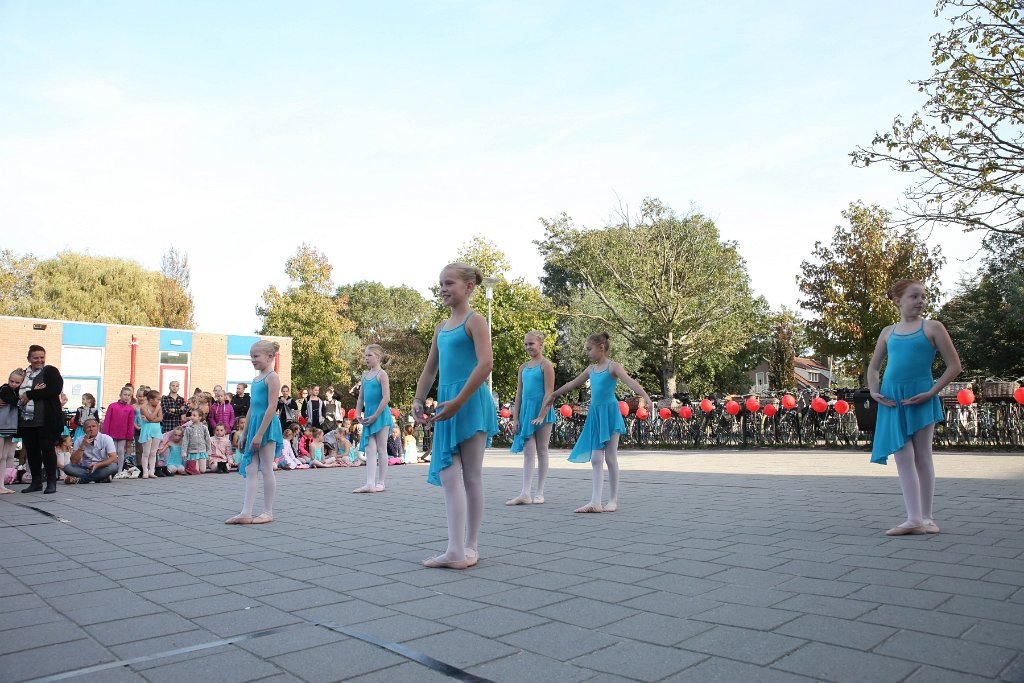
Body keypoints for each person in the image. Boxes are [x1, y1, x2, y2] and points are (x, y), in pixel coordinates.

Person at [413, 263, 498, 569]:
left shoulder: (475, 321)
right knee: (450, 475)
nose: (443, 289)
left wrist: (460, 401)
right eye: (440, 284)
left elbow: (485, 364)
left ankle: (470, 546)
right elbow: (430, 368)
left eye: (449, 283)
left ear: (469, 287)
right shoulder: (441, 327)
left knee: (472, 476)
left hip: (470, 402)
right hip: (448, 404)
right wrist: (419, 398)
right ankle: (454, 549)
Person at [868, 279, 961, 536]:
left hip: (921, 395)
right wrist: (874, 392)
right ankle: (914, 518)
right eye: (914, 296)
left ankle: (926, 518)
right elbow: (874, 367)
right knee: (903, 455)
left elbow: (954, 366)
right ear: (898, 300)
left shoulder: (933, 327)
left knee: (923, 455)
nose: (921, 301)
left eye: (923, 296)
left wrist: (931, 392)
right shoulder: (888, 332)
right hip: (891, 398)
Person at [544, 332, 651, 513]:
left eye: (589, 349)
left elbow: (630, 382)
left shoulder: (613, 367)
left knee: (610, 457)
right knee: (595, 458)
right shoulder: (590, 370)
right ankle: (595, 501)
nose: (587, 352)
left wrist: (646, 396)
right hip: (595, 414)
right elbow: (572, 384)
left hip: (609, 413)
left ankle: (613, 500)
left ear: (601, 348)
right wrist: (554, 394)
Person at [227, 340, 282, 525]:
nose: (252, 360)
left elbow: (272, 406)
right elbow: (252, 407)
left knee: (266, 468)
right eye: (251, 356)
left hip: (267, 426)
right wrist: (245, 432)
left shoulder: (272, 377)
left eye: (256, 356)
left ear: (270, 356)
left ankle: (268, 511)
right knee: (251, 468)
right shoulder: (257, 378)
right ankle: (246, 511)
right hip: (254, 426)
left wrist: (259, 434)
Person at [507, 331, 557, 506]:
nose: (528, 347)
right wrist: (515, 417)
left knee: (542, 450)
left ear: (541, 345)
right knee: (528, 453)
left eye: (531, 344)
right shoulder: (523, 367)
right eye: (526, 344)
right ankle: (525, 493)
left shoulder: (546, 365)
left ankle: (540, 492)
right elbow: (519, 393)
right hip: (526, 412)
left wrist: (542, 415)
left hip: (542, 410)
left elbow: (549, 393)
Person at [18, 345, 65, 494]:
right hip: (27, 419)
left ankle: (51, 481)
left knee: (47, 450)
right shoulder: (24, 374)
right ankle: (36, 482)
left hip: (46, 419)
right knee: (31, 451)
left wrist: (31, 394)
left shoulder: (50, 371)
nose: (39, 360)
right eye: (35, 358)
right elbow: (14, 387)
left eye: (41, 357)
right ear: (29, 359)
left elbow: (54, 389)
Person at [353, 344, 396, 493]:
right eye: (365, 355)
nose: (366, 358)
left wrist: (375, 415)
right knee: (370, 449)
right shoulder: (365, 375)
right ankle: (369, 482)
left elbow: (386, 398)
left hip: (380, 414)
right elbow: (361, 398)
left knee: (381, 448)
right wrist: (358, 413)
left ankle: (381, 482)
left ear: (377, 357)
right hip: (369, 415)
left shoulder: (382, 374)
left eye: (369, 355)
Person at [63, 417, 119, 484]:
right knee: (67, 468)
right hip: (85, 469)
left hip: (101, 467)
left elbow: (113, 458)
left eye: (93, 426)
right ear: (84, 430)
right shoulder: (79, 440)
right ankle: (100, 478)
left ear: (98, 428)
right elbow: (74, 461)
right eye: (88, 427)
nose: (91, 429)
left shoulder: (106, 438)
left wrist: (97, 465)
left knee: (114, 467)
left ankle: (80, 480)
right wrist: (83, 446)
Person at [0, 369, 25, 494]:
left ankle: (1, 485)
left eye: (17, 382)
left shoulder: (17, 392)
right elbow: (14, 401)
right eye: (11, 381)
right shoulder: (5, 389)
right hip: (2, 426)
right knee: (0, 456)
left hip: (9, 427)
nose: (13, 384)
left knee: (4, 457)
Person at [102, 387, 136, 476]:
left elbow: (130, 423)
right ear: (120, 395)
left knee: (121, 451)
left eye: (129, 395)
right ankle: (110, 468)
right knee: (112, 451)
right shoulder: (112, 406)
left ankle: (119, 470)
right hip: (112, 433)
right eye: (125, 395)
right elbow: (107, 420)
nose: (127, 397)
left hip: (123, 433)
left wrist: (129, 436)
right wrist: (105, 434)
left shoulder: (130, 408)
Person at [136, 390, 163, 479]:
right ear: (151, 400)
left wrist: (150, 420)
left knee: (153, 452)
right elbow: (151, 417)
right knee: (146, 452)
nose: (159, 402)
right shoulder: (143, 408)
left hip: (156, 431)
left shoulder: (159, 407)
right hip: (147, 431)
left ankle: (152, 471)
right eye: (157, 399)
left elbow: (160, 419)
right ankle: (145, 471)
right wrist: (156, 411)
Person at [182, 408, 212, 474]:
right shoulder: (188, 428)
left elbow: (207, 439)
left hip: (202, 451)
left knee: (203, 470)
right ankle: (190, 467)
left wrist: (208, 450)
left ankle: (191, 467)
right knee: (196, 470)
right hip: (192, 451)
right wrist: (184, 452)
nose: (192, 417)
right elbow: (185, 441)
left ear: (200, 417)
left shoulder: (204, 427)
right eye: (191, 415)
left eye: (194, 415)